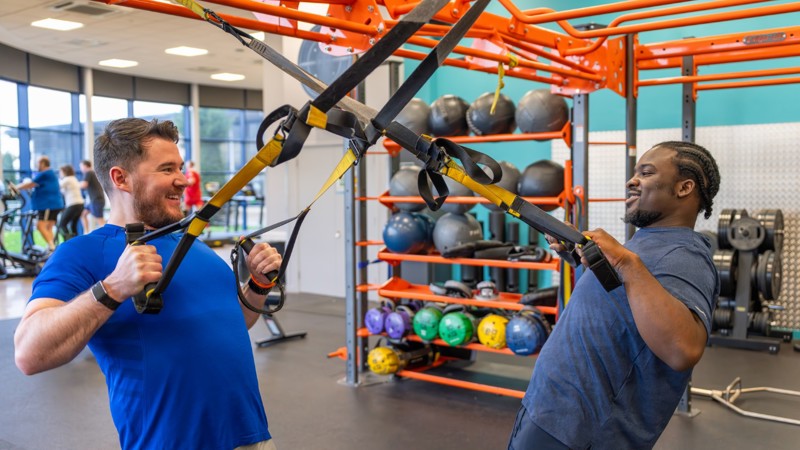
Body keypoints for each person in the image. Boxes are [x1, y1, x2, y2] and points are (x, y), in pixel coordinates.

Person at [14, 118, 281, 450]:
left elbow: (235, 322)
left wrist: (256, 284)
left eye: (180, 168)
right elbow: (28, 354)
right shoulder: (81, 253)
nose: (182, 181)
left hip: (252, 437)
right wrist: (113, 288)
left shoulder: (193, 245)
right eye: (167, 169)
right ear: (121, 178)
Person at [508, 141, 722, 450]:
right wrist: (578, 252)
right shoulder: (647, 241)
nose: (631, 181)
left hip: (580, 429)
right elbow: (622, 300)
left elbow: (683, 349)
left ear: (684, 188)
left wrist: (625, 261)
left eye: (646, 173)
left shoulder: (686, 256)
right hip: (550, 407)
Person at [15, 156, 64, 251]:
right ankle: (52, 249)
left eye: (38, 163)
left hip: (48, 205)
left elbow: (30, 184)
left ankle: (52, 248)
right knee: (49, 228)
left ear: (42, 163)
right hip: (54, 204)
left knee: (40, 226)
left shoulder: (45, 174)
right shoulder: (50, 173)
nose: (37, 165)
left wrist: (16, 187)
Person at [57, 164, 84, 241]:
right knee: (73, 226)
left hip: (73, 204)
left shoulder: (67, 179)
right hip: (80, 204)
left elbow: (58, 186)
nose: (60, 174)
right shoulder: (73, 179)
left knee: (62, 224)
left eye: (61, 172)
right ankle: (76, 243)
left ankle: (68, 243)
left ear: (65, 172)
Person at [79, 159, 106, 232]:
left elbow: (84, 185)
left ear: (85, 166)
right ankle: (86, 232)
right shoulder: (92, 173)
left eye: (81, 166)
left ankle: (107, 234)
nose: (80, 169)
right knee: (83, 214)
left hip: (96, 200)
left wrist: (75, 184)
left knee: (99, 219)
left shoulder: (89, 173)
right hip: (93, 200)